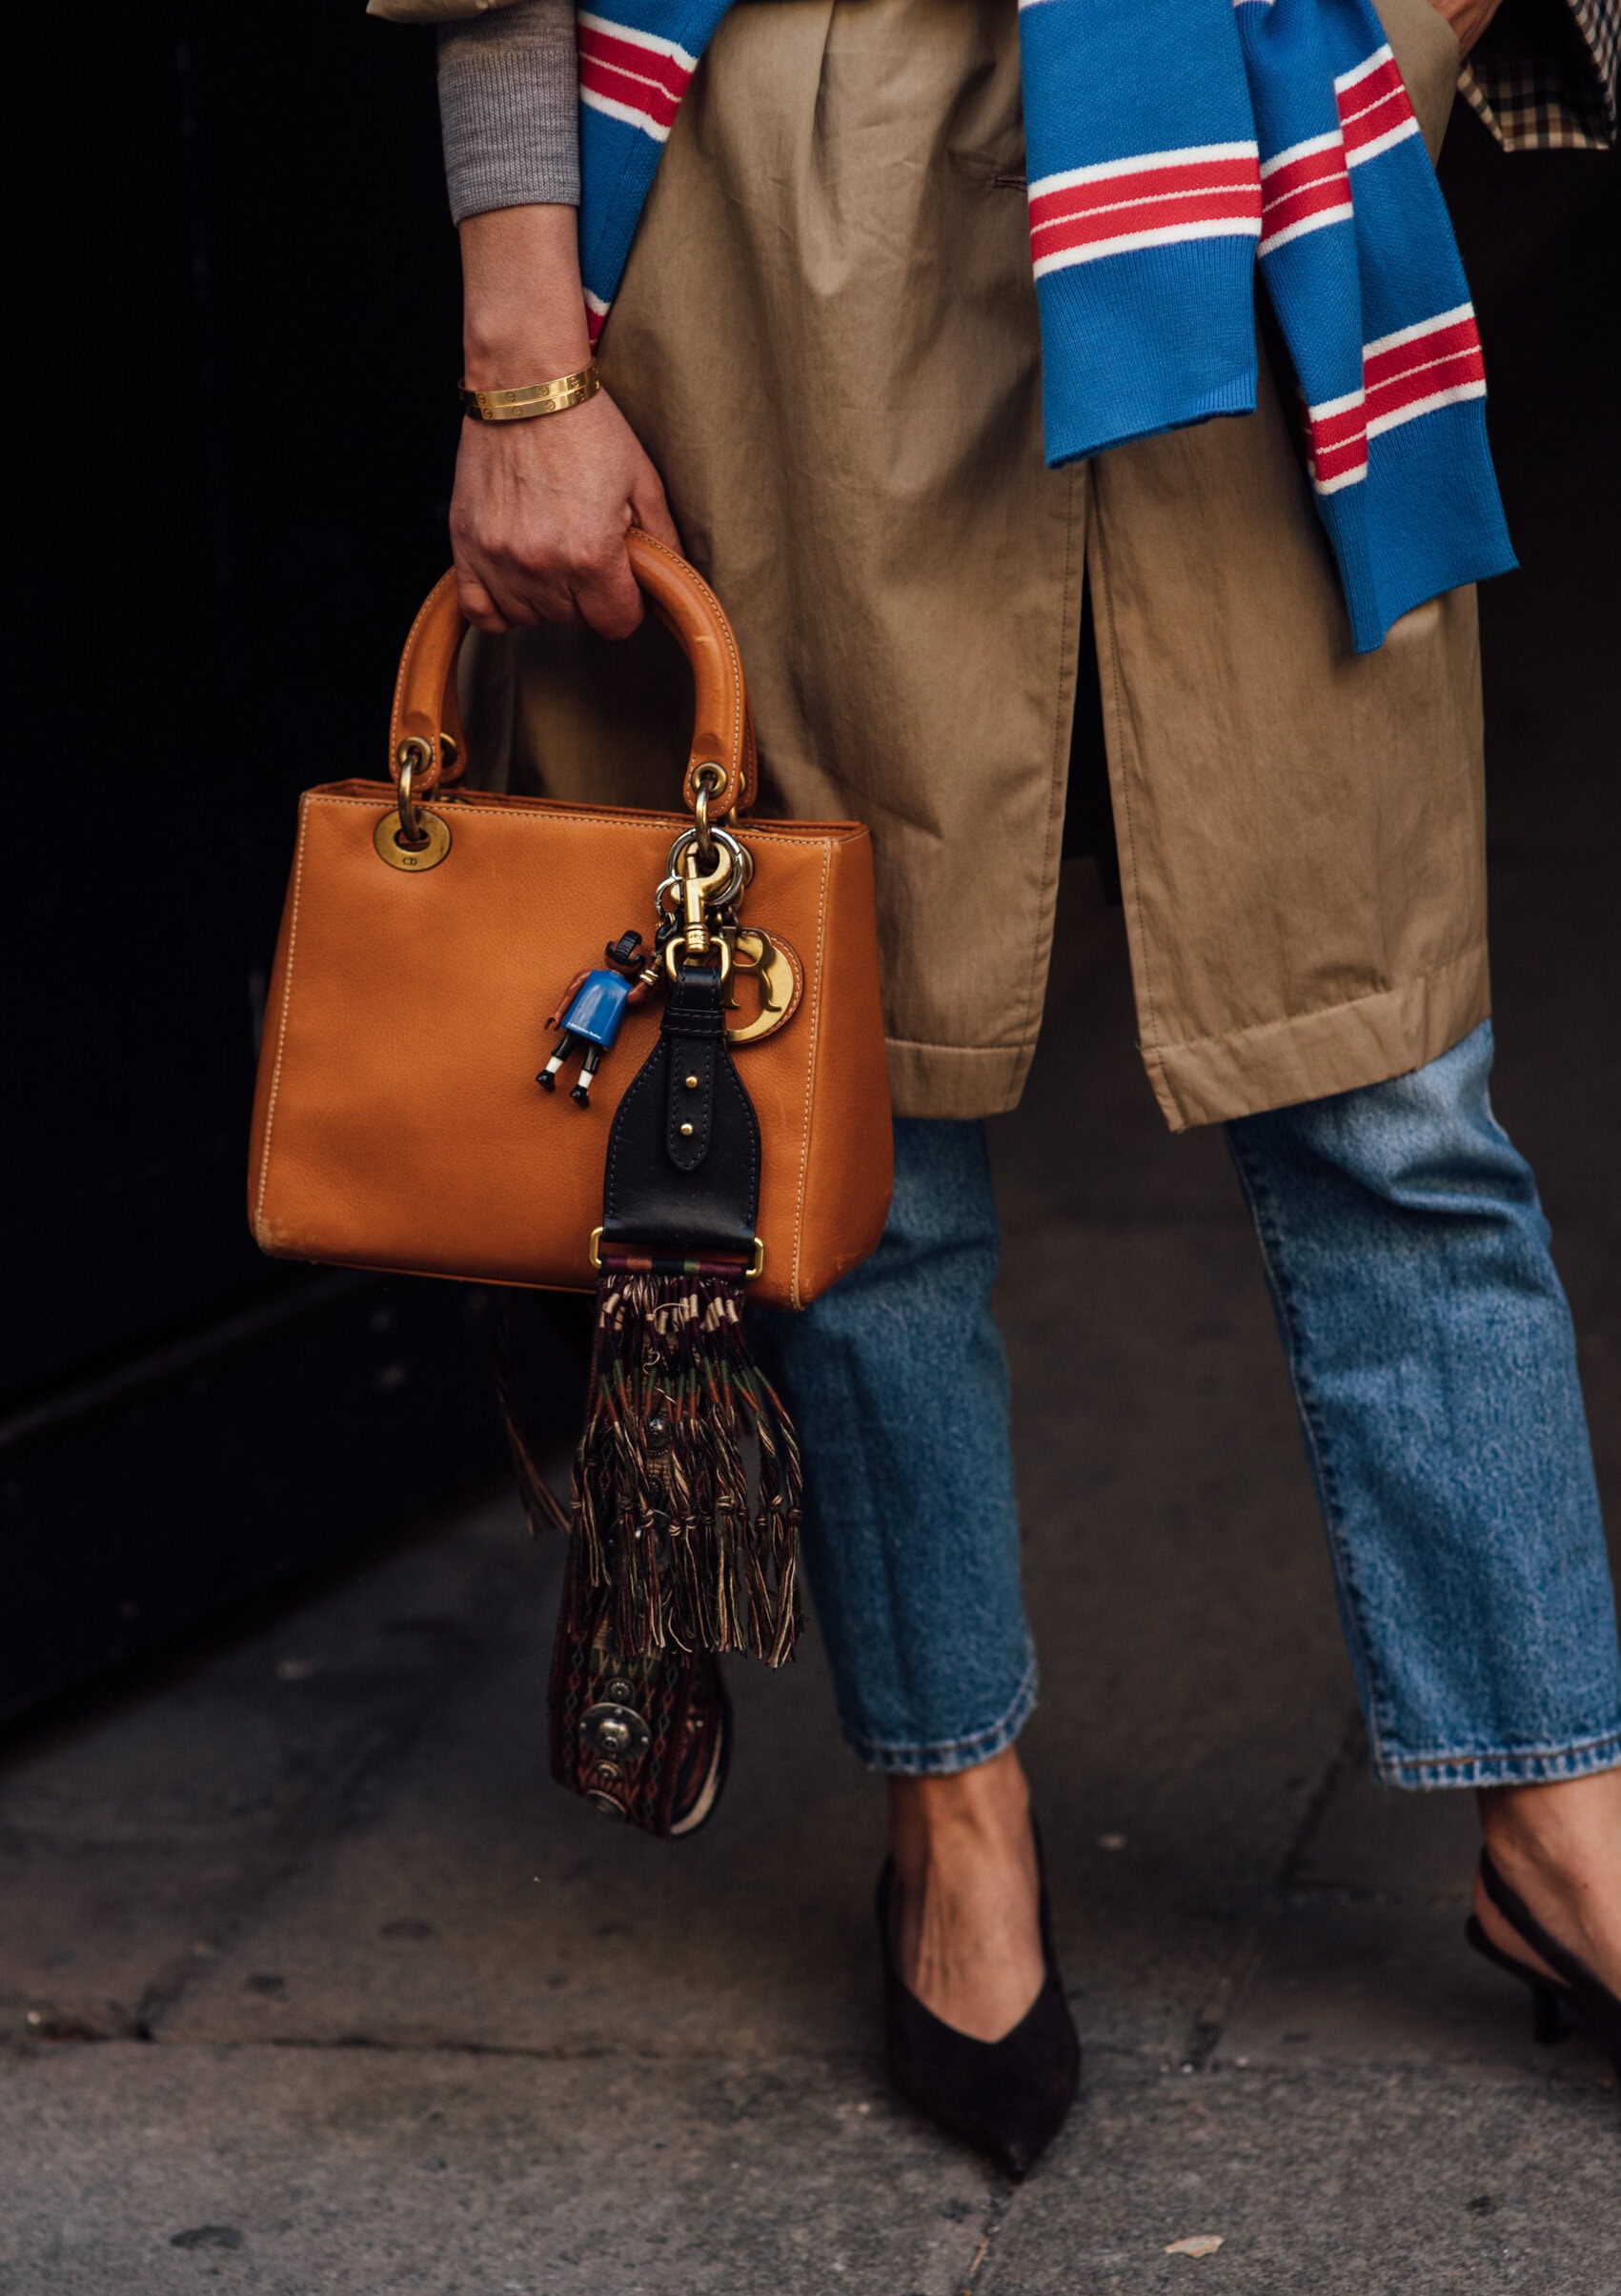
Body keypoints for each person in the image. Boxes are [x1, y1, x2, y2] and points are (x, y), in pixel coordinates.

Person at [370, 0, 1621, 2170]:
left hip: (1238, 148)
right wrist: (521, 356)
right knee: (860, 1087)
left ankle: (1562, 1809)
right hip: (799, 196)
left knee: (1391, 1077)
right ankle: (950, 1807)